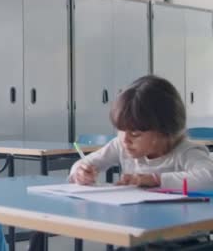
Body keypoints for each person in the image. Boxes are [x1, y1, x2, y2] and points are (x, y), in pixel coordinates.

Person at [28, 74, 213, 251]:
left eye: (135, 134)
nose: (125, 140)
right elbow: (87, 162)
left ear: (165, 131)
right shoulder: (122, 145)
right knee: (40, 230)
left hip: (183, 239)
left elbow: (208, 178)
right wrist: (81, 172)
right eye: (120, 130)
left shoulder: (186, 151)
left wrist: (155, 179)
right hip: (138, 235)